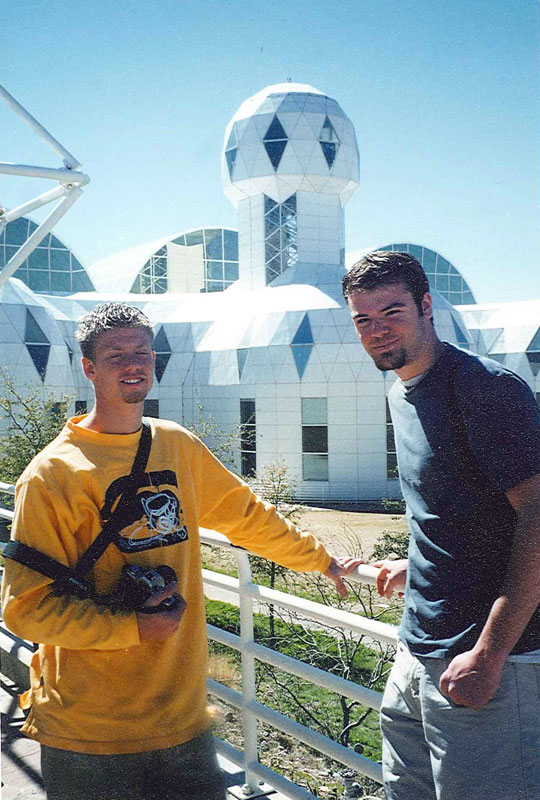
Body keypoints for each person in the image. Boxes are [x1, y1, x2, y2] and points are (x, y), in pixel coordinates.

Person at [1, 302, 362, 800]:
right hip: (90, 731)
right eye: (116, 355)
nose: (133, 364)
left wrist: (322, 561)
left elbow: (246, 516)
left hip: (183, 721)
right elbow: (26, 610)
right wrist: (134, 627)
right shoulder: (52, 474)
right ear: (89, 368)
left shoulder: (177, 445)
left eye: (142, 352)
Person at [342, 251, 540, 800]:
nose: (378, 330)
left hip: (487, 659)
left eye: (392, 312)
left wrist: (491, 653)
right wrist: (420, 560)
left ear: (427, 306)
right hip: (416, 650)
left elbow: (538, 515)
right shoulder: (402, 393)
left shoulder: (485, 389)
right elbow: (456, 506)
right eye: (363, 319)